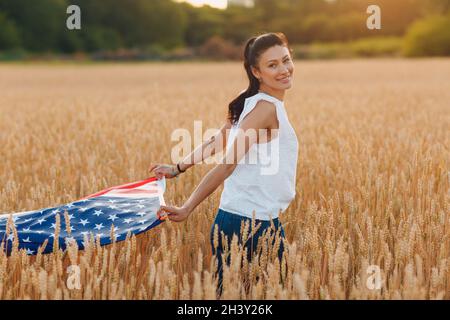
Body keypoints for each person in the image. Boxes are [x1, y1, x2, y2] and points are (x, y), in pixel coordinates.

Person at [149, 32, 298, 298]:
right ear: (256, 71)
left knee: (234, 296)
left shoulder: (251, 99)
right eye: (272, 65)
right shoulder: (264, 109)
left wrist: (178, 167)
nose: (284, 69)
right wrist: (187, 208)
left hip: (239, 218)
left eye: (286, 60)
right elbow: (227, 164)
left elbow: (218, 140)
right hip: (253, 224)